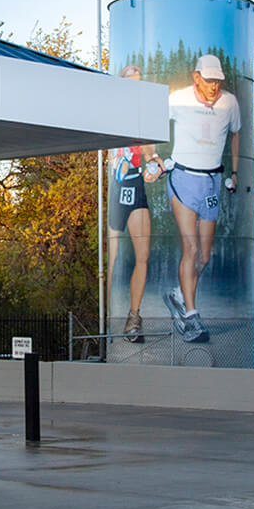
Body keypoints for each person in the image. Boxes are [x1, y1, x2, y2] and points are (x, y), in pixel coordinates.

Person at [161, 54, 241, 344]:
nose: (214, 86)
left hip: (212, 182)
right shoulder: (178, 98)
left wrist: (233, 170)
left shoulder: (229, 103)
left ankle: (179, 295)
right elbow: (150, 119)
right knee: (191, 248)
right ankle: (191, 317)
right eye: (209, 80)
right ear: (196, 77)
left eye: (217, 81)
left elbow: (236, 133)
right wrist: (154, 157)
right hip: (183, 179)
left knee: (204, 256)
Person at [107, 64, 162, 343]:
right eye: (131, 82)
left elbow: (150, 149)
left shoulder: (145, 114)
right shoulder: (112, 110)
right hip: (116, 189)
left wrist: (155, 163)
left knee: (143, 255)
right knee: (112, 258)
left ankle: (133, 317)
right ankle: (107, 317)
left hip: (135, 185)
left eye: (139, 83)